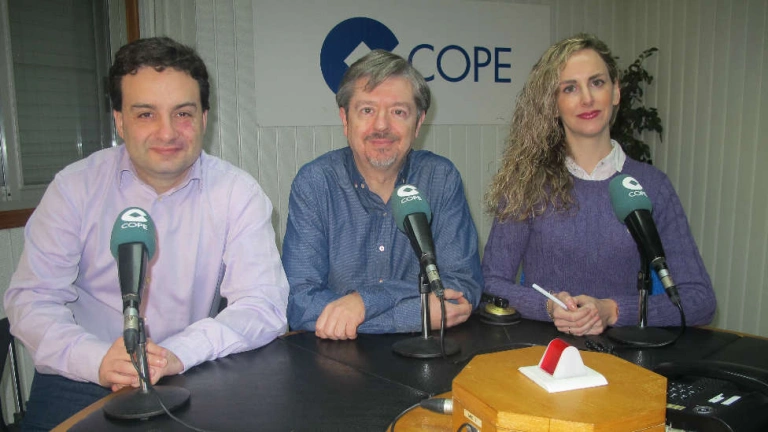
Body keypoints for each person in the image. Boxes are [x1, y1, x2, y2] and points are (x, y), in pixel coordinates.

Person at [4, 37, 289, 430]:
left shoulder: (238, 193)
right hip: (81, 374)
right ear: (119, 121)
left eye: (183, 113)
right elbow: (31, 299)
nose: (167, 132)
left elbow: (263, 305)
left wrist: (177, 353)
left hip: (186, 368)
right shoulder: (74, 189)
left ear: (204, 118)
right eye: (145, 114)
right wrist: (96, 359)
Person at [482, 33, 715, 337]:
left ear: (616, 91)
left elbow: (699, 300)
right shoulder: (527, 184)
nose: (587, 99)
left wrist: (613, 310)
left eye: (597, 83)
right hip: (546, 352)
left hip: (624, 353)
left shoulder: (652, 186)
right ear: (553, 104)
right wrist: (548, 306)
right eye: (569, 88)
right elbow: (490, 284)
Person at [283, 49, 483, 340]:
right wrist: (417, 313)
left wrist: (363, 303)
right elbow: (300, 304)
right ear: (345, 119)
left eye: (398, 112)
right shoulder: (315, 184)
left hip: (425, 354)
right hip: (336, 358)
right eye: (367, 110)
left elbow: (462, 290)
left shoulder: (440, 178)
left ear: (418, 123)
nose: (381, 126)